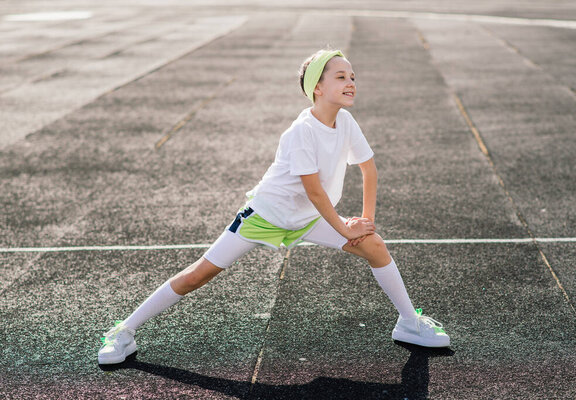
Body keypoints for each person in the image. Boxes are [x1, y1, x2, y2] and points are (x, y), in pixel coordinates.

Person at [98, 49, 450, 365]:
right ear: (317, 88)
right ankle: (124, 331)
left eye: (353, 76)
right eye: (341, 77)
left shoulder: (345, 120)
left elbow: (368, 168)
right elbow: (314, 192)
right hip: (267, 215)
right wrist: (345, 229)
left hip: (310, 217)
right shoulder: (300, 132)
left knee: (374, 245)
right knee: (197, 275)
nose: (351, 82)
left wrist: (366, 223)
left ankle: (408, 322)